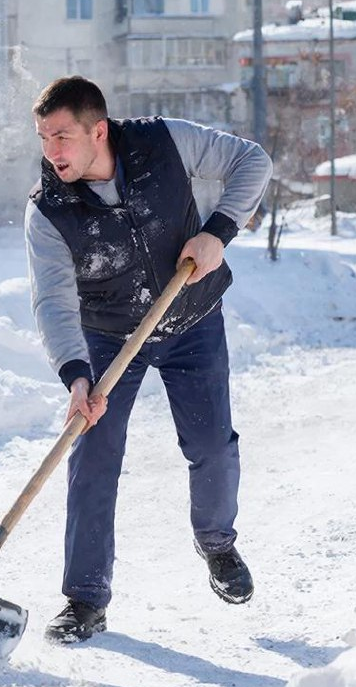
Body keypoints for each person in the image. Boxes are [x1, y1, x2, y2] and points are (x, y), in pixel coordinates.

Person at [25, 76, 272, 644]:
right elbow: (53, 300)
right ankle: (85, 598)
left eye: (62, 136)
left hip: (191, 315)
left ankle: (217, 544)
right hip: (109, 336)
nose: (51, 152)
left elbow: (252, 162)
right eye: (42, 138)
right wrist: (75, 374)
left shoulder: (166, 143)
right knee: (92, 452)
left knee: (211, 443)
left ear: (99, 130)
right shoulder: (49, 211)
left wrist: (218, 232)